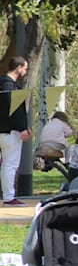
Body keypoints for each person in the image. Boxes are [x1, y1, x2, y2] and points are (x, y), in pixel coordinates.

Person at [0, 56, 31, 204]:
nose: (26, 71)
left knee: (7, 164)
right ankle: (9, 196)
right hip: (9, 131)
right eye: (25, 68)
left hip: (5, 130)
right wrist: (22, 128)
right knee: (10, 164)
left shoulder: (3, 84)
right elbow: (13, 109)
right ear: (18, 68)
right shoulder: (9, 86)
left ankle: (8, 195)